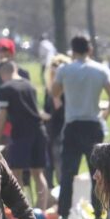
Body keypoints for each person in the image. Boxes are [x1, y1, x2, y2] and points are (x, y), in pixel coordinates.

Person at [52, 34, 110, 219]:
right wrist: (103, 115)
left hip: (72, 125)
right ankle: (98, 214)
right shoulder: (100, 70)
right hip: (93, 124)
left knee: (68, 172)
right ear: (90, 49)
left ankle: (63, 214)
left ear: (72, 50)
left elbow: (54, 92)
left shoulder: (65, 69)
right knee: (97, 173)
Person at [0, 61, 49, 209]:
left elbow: (2, 116)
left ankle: (21, 209)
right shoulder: (29, 85)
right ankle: (41, 210)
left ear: (3, 74)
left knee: (16, 172)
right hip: (39, 130)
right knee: (38, 173)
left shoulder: (5, 88)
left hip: (21, 133)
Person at [42, 53, 71, 195]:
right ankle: (49, 196)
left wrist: (57, 96)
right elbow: (48, 110)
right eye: (53, 65)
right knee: (47, 166)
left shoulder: (68, 90)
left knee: (60, 164)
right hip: (49, 131)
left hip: (62, 131)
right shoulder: (48, 90)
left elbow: (63, 112)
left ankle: (63, 196)